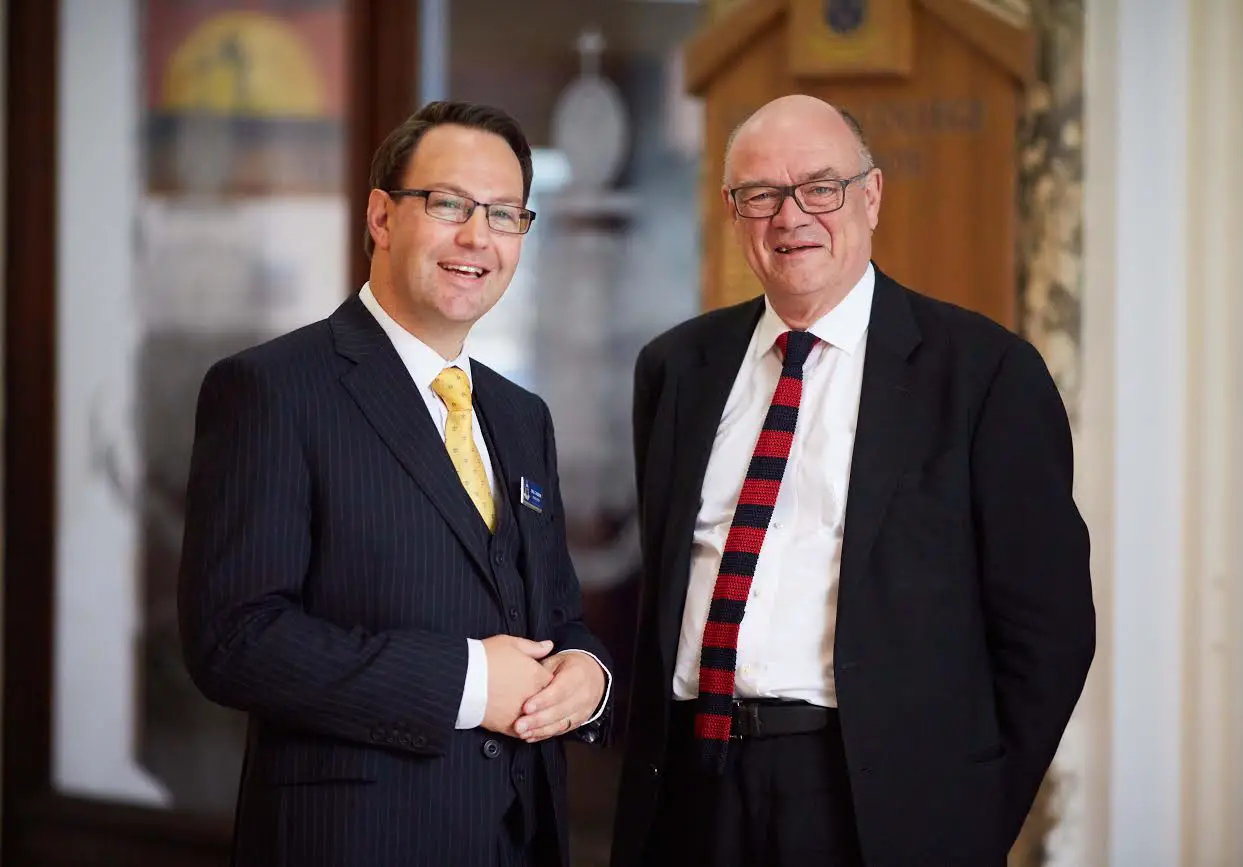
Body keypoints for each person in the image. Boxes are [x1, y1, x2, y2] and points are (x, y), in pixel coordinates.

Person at [610, 94, 1095, 867]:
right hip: (693, 790)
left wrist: (969, 816)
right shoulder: (676, 368)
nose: (790, 215)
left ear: (870, 197)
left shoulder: (984, 373)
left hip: (869, 801)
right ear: (734, 213)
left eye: (819, 188)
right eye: (760, 194)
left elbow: (1049, 632)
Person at [178, 100, 612, 867]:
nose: (479, 237)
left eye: (506, 214)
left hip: (520, 839)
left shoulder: (520, 416)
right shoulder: (274, 388)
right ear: (381, 216)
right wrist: (471, 680)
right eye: (450, 204)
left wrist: (589, 674)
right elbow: (233, 639)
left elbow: (553, 613)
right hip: (354, 840)